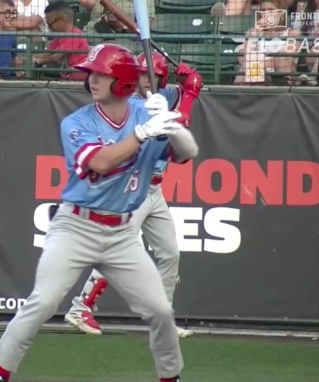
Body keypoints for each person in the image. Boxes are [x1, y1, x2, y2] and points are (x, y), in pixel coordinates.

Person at [0, 43, 199, 382]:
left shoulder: (147, 114)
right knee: (42, 303)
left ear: (124, 82)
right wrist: (142, 133)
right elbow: (100, 161)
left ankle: (170, 378)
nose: (92, 79)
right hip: (76, 226)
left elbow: (188, 154)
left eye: (101, 74)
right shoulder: (76, 122)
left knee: (160, 311)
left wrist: (173, 125)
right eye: (91, 74)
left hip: (123, 234)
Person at [63, 51, 202, 338]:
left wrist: (189, 80)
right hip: (131, 189)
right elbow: (180, 120)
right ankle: (80, 308)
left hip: (155, 191)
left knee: (170, 254)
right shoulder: (132, 104)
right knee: (115, 251)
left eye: (150, 76)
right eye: (138, 75)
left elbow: (176, 110)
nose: (144, 80)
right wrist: (190, 94)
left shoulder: (159, 95)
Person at [32, 1, 89, 81]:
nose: (49, 26)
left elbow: (58, 56)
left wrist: (40, 61)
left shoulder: (74, 34)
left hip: (80, 76)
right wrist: (31, 58)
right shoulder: (60, 37)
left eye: (50, 22)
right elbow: (48, 53)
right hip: (68, 76)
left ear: (63, 19)